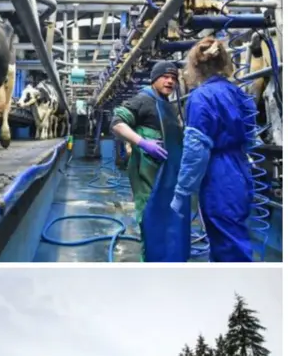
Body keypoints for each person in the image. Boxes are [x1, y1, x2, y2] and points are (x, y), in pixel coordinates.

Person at [171, 37, 257, 262]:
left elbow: (196, 152)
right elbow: (251, 135)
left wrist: (182, 192)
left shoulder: (201, 98)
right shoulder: (239, 93)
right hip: (240, 170)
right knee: (232, 236)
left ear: (195, 67)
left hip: (219, 176)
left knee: (228, 244)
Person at [110, 60, 191, 262]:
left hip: (168, 174)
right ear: (154, 79)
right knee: (150, 221)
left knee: (167, 223)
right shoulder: (143, 100)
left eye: (173, 78)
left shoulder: (167, 103)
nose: (170, 81)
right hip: (148, 175)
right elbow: (117, 124)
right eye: (165, 77)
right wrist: (143, 143)